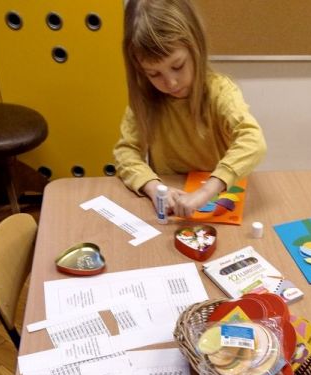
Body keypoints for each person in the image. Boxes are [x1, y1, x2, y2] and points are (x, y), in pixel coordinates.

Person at [114, 0, 266, 218]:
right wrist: (153, 187)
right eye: (154, 74)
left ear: (196, 47)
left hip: (214, 197)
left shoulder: (220, 91)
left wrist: (207, 190)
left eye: (177, 66)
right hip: (170, 201)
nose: (171, 83)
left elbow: (253, 140)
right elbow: (126, 151)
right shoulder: (146, 99)